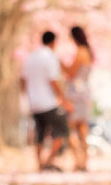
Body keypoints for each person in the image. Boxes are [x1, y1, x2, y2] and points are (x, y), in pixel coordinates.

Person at [21, 30, 69, 171]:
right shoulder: (50, 57)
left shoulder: (31, 57)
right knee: (62, 132)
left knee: (40, 133)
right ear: (54, 42)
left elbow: (23, 80)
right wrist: (63, 100)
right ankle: (48, 161)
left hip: (34, 103)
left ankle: (39, 164)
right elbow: (53, 81)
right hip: (48, 103)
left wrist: (26, 96)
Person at [63, 26, 96, 171]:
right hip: (86, 92)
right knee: (84, 130)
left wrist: (61, 65)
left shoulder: (80, 52)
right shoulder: (88, 52)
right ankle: (84, 162)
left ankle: (78, 161)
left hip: (75, 93)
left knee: (72, 129)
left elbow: (71, 73)